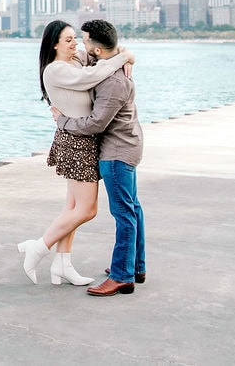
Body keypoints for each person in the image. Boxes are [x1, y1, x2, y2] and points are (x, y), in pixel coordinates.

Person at [17, 20, 134, 286]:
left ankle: (62, 264)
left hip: (82, 138)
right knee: (87, 209)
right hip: (76, 142)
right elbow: (92, 77)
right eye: (68, 40)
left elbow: (106, 52)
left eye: (75, 39)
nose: (75, 44)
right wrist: (123, 58)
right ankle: (39, 247)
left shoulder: (75, 60)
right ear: (54, 44)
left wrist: (127, 55)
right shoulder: (56, 70)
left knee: (72, 206)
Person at [53, 19, 145, 297]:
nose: (81, 45)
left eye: (84, 40)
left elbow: (96, 123)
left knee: (124, 214)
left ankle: (122, 277)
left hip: (116, 153)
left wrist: (63, 121)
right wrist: (127, 55)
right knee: (133, 208)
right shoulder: (109, 63)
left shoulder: (113, 82)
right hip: (125, 146)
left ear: (96, 49)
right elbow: (112, 55)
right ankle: (135, 266)